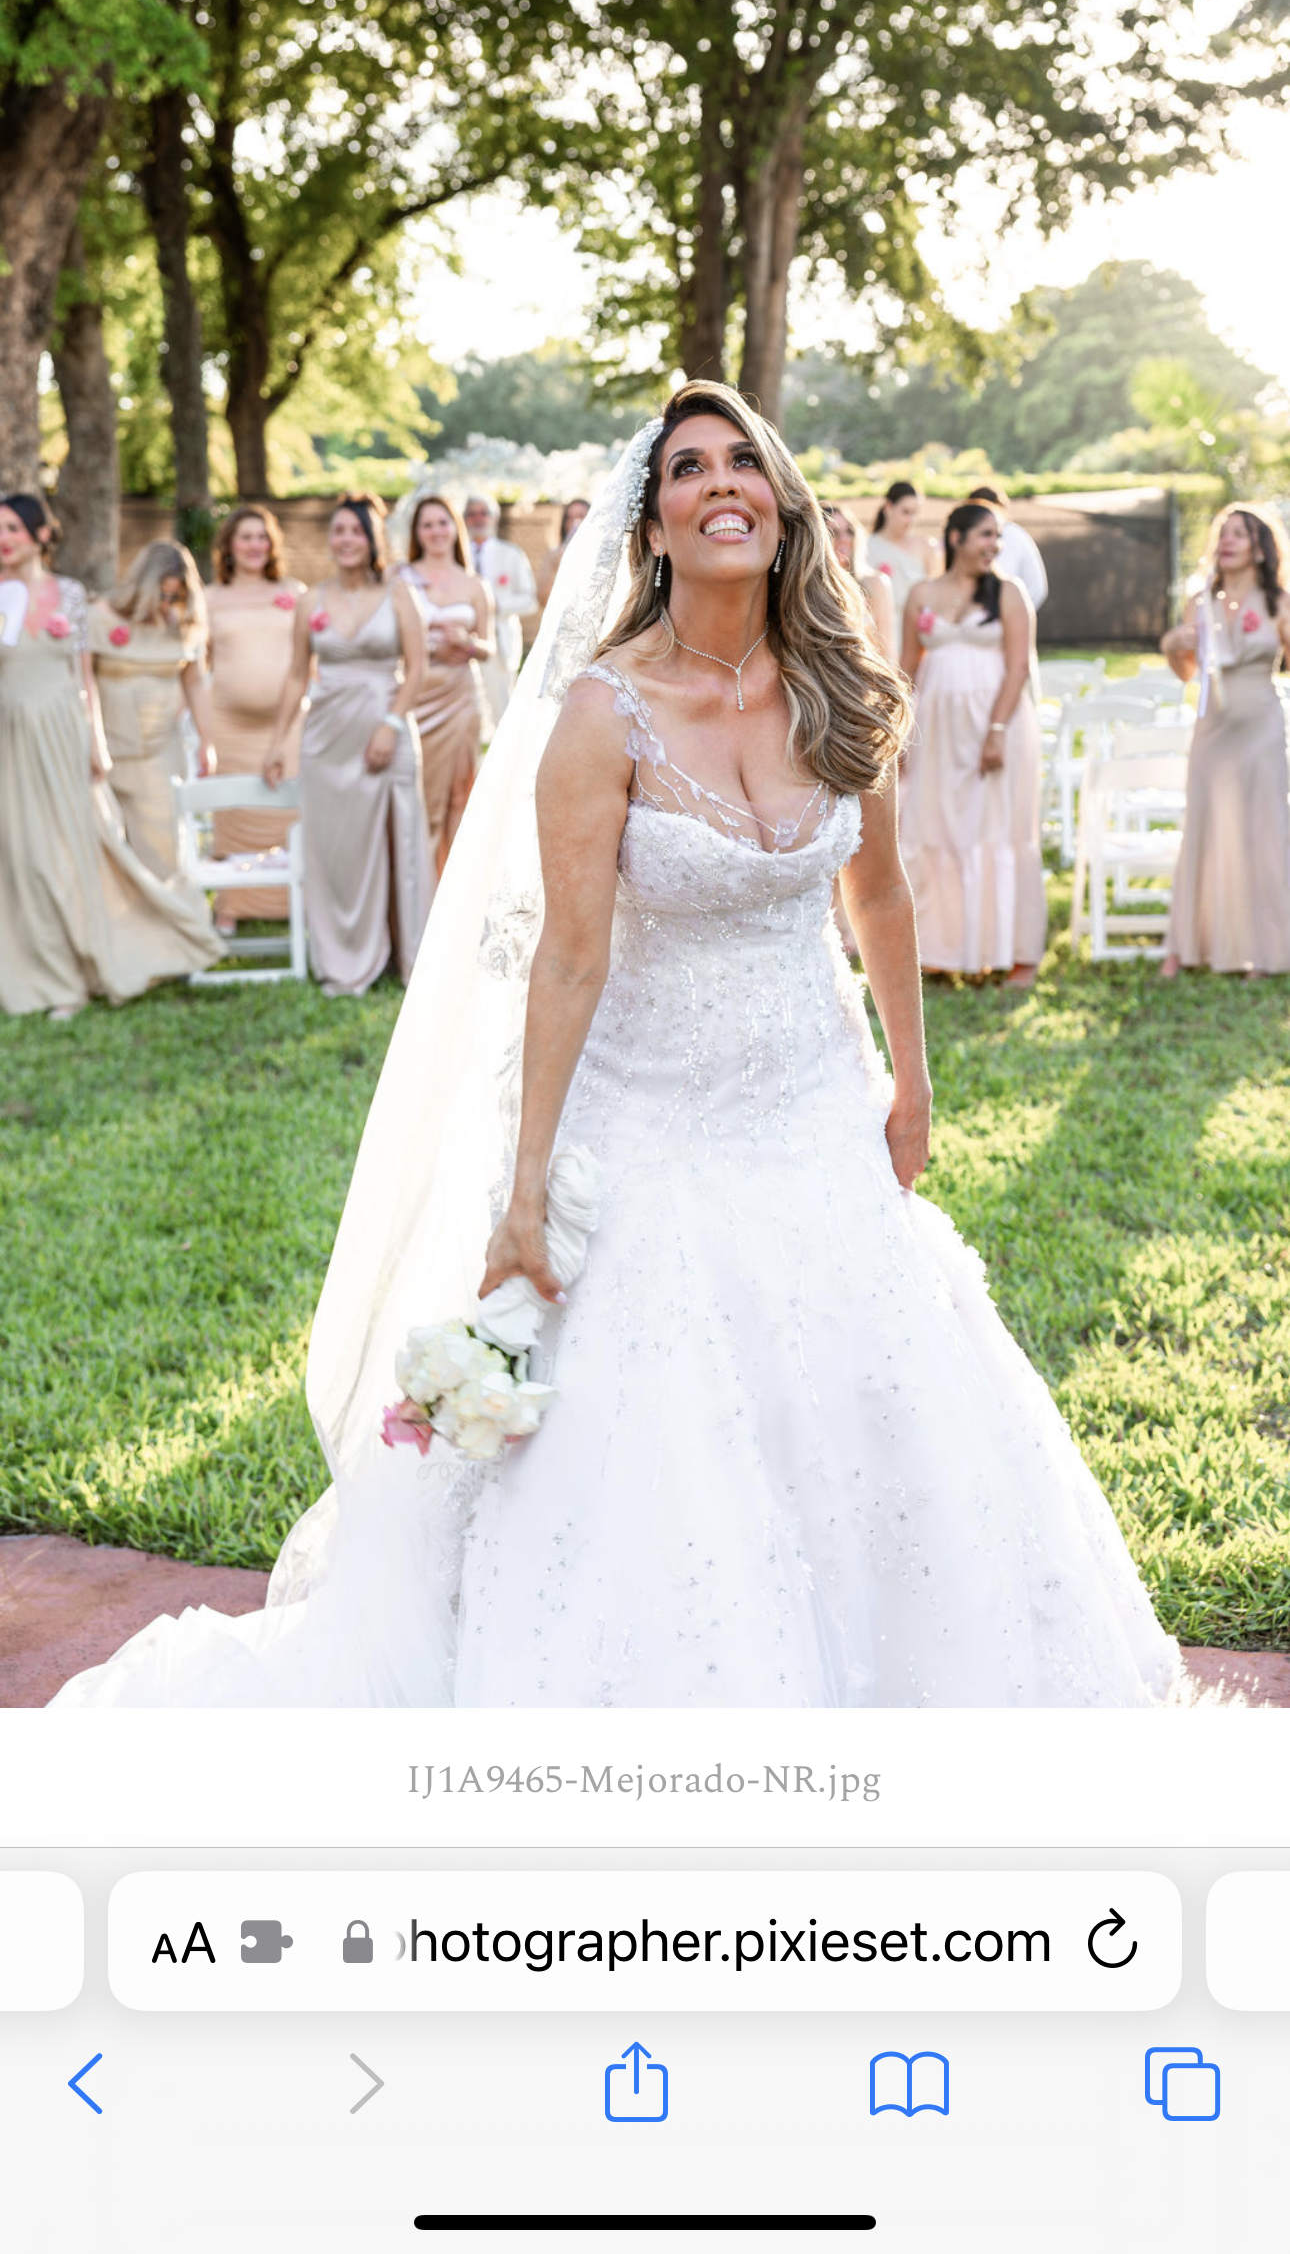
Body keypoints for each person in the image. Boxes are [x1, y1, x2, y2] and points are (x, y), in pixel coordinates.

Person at [50, 395, 1177, 1710]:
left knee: (884, 1410)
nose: (721, 481)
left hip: (819, 1117)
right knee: (666, 1445)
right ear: (648, 530)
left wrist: (910, 1082)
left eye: (742, 459)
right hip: (653, 1133)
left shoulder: (836, 682)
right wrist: (526, 1186)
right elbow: (569, 957)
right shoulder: (600, 715)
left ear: (778, 502)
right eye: (687, 466)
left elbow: (876, 898)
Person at [0, 494, 221, 1017]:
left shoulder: (71, 595)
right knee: (22, 857)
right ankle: (45, 975)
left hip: (62, 737)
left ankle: (93, 967)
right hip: (10, 736)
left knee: (71, 854)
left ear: (39, 535)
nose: (3, 538)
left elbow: (84, 680)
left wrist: (95, 741)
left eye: (11, 527)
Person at [263, 494, 432, 998]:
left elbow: (418, 668)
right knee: (336, 850)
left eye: (356, 531)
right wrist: (277, 742)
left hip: (388, 728)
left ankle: (408, 957)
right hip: (327, 739)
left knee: (400, 839)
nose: (346, 540)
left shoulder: (400, 593)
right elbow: (297, 676)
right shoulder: (310, 601)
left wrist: (390, 724)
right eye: (338, 531)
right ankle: (344, 958)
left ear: (372, 539)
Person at [899, 499, 1046, 987]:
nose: (994, 546)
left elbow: (1019, 665)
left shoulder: (1008, 593)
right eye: (985, 535)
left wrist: (997, 731)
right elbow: (906, 668)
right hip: (936, 731)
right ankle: (939, 951)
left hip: (995, 726)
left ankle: (1013, 953)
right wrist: (898, 733)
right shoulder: (921, 593)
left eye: (998, 537)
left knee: (998, 829)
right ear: (956, 538)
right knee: (935, 824)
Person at [1160, 503, 1290, 980]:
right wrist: (1176, 645)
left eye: (1239, 533)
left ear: (1260, 547)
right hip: (1212, 727)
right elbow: (1186, 672)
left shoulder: (1278, 599)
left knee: (1261, 831)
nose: (1228, 541)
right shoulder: (1201, 600)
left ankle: (1263, 949)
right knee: (1203, 827)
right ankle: (1187, 947)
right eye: (1223, 533)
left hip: (1260, 726)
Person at [205, 507, 306, 934]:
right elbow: (195, 665)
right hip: (227, 724)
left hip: (286, 724)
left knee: (285, 812)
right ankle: (231, 904)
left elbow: (310, 660)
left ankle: (291, 902)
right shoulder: (209, 597)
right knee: (235, 809)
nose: (254, 546)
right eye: (245, 537)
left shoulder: (295, 592)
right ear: (228, 545)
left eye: (261, 538)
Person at [88, 541, 213, 877]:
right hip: (107, 748)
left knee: (162, 848)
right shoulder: (100, 617)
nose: (167, 604)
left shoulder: (182, 626)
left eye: (175, 597)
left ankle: (166, 922)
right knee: (105, 848)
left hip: (160, 750)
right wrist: (94, 742)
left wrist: (207, 741)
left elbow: (196, 682)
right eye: (161, 594)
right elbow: (84, 682)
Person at [398, 493, 495, 877]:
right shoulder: (400, 578)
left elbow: (489, 648)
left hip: (458, 696)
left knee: (459, 791)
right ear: (417, 533)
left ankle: (450, 886)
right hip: (414, 694)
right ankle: (413, 882)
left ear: (453, 529)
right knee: (415, 792)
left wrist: (466, 643)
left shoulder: (474, 584)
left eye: (442, 523)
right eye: (427, 524)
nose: (436, 531)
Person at [462, 491, 538, 727]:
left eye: (483, 513)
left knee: (502, 710)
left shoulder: (511, 553)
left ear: (493, 518)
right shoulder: (456, 555)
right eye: (472, 514)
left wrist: (492, 603)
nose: (478, 519)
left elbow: (529, 600)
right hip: (463, 642)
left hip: (500, 643)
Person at [823, 501, 897, 663]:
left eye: (848, 531)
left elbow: (887, 652)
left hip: (865, 679)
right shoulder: (809, 588)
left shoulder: (875, 583)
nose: (844, 539)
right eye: (833, 533)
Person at [864, 479, 938, 639]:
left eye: (915, 513)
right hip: (881, 631)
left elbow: (935, 594)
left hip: (917, 630)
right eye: (906, 512)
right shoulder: (867, 546)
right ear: (888, 508)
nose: (911, 519)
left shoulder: (926, 546)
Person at [967, 482, 1049, 613]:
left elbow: (1037, 587)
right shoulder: (959, 538)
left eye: (997, 536)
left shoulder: (1015, 535)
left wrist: (1014, 617)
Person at [536, 497, 591, 612]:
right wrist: (557, 566)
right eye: (569, 518)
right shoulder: (553, 555)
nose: (575, 523)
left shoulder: (602, 556)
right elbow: (541, 599)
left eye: (581, 516)